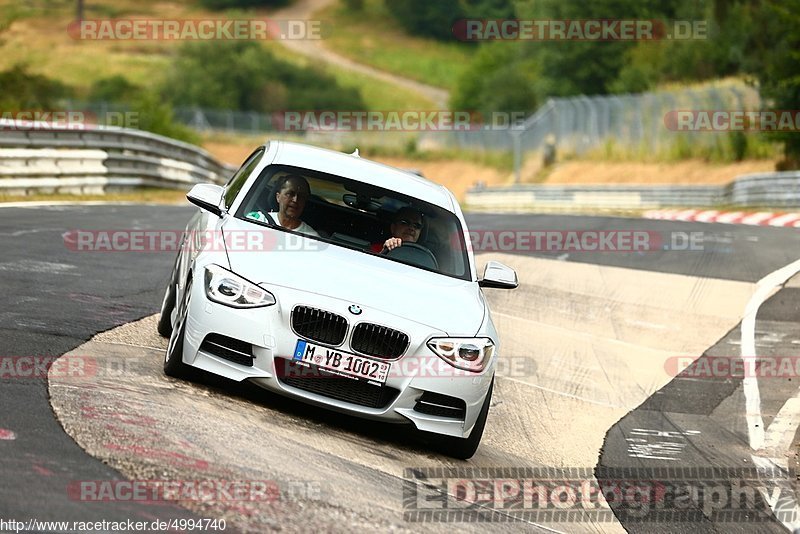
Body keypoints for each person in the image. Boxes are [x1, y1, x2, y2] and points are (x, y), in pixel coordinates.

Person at [247, 174, 319, 237]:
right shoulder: (256, 220)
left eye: (301, 196)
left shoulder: (312, 237)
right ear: (278, 197)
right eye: (290, 194)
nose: (295, 200)